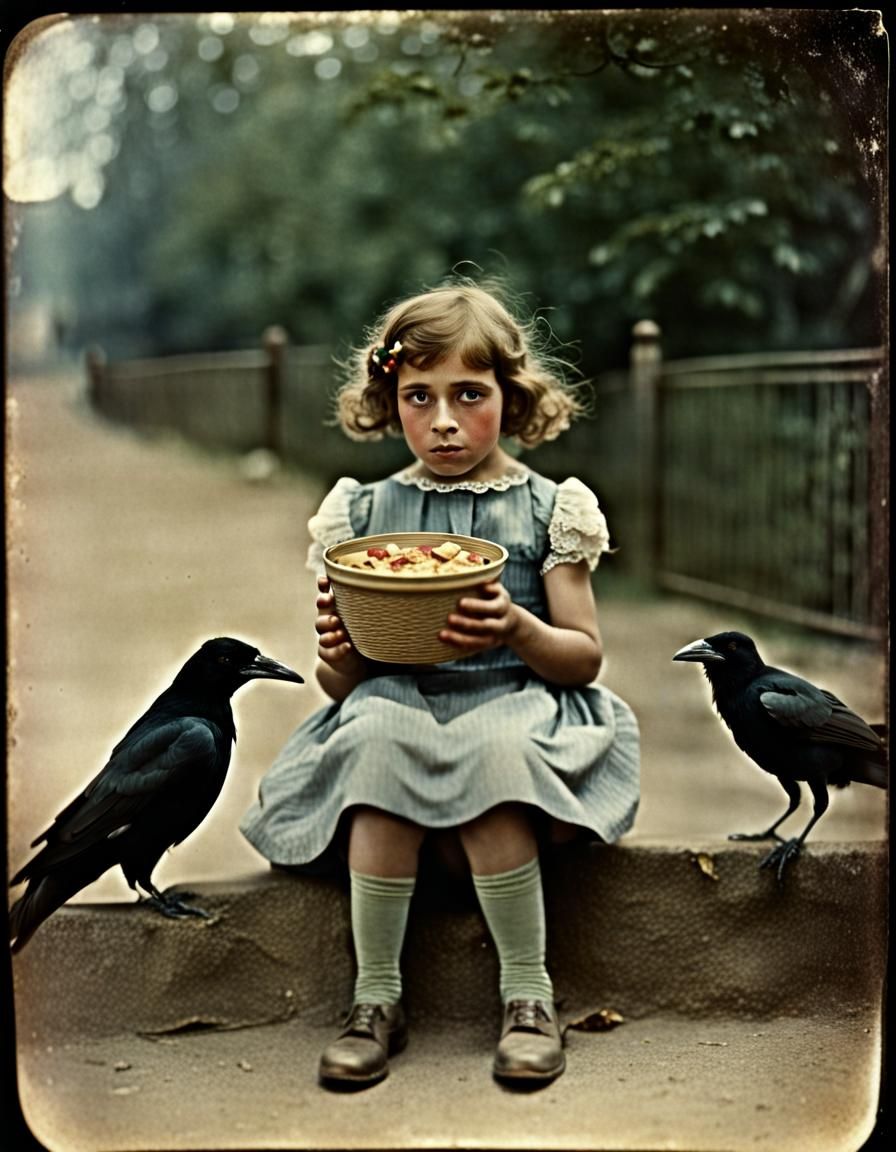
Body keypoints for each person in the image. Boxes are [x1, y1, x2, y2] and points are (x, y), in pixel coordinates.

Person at [240, 277, 640, 1090]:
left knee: (498, 752)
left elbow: (584, 655)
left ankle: (528, 995)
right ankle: (375, 998)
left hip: (519, 699)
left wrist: (518, 629)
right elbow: (339, 684)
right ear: (391, 402)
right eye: (419, 397)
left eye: (469, 393)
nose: (445, 420)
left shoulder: (548, 508)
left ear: (511, 395)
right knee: (377, 740)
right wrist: (342, 652)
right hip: (400, 698)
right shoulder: (364, 513)